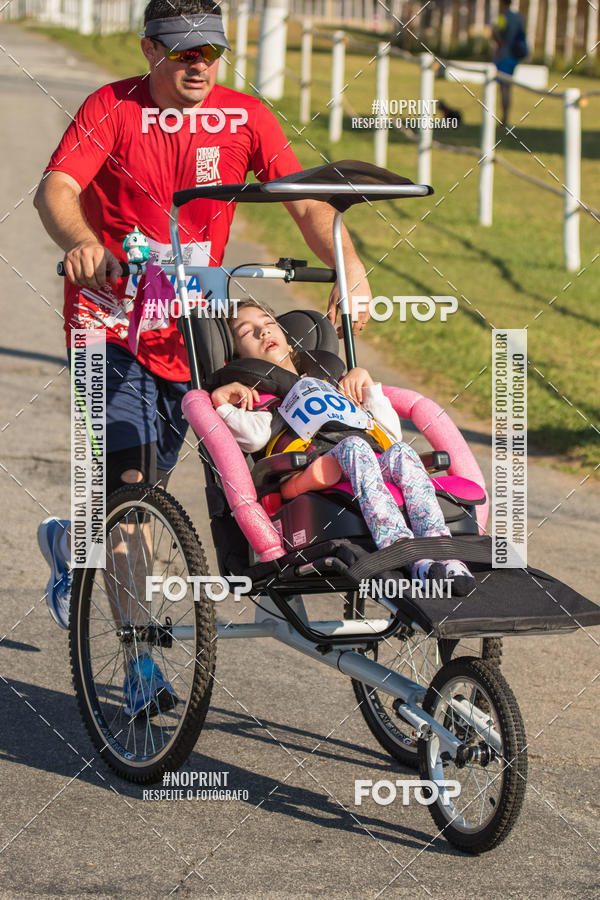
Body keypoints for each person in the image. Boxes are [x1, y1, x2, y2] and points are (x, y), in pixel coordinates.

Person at [34, 2, 372, 645]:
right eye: (183, 50)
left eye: (210, 52)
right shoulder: (112, 105)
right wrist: (81, 243)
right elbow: (56, 188)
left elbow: (303, 202)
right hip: (111, 324)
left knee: (260, 459)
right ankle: (139, 666)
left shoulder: (244, 116)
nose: (199, 64)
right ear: (149, 49)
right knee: (133, 481)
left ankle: (81, 548)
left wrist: (349, 266)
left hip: (197, 324)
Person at [210, 301, 476, 597]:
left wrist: (367, 386)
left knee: (402, 453)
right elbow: (254, 438)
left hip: (367, 461)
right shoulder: (258, 397)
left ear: (285, 333)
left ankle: (441, 551)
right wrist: (222, 403)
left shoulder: (331, 381)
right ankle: (399, 548)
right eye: (247, 331)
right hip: (310, 469)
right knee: (354, 447)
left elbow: (390, 434)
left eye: (268, 322)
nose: (263, 331)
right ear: (237, 356)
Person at [492, 0, 527, 126]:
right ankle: (505, 117)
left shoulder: (502, 17)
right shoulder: (519, 18)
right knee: (509, 87)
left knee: (504, 88)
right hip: (515, 57)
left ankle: (504, 119)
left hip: (504, 55)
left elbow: (495, 34)